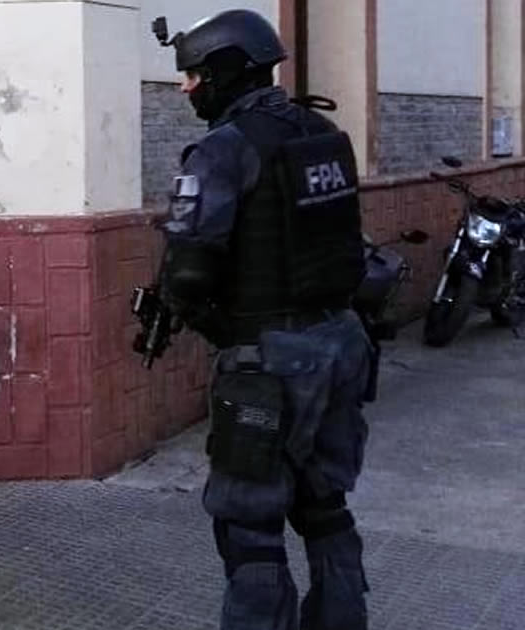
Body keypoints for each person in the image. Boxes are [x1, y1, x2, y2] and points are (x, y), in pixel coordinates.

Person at [153, 10, 373, 630]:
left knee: (249, 523)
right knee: (324, 503)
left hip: (272, 360)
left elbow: (189, 272)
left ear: (228, 71)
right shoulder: (321, 132)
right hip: (341, 341)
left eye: (195, 74)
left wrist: (217, 328)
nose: (187, 88)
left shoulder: (224, 149)